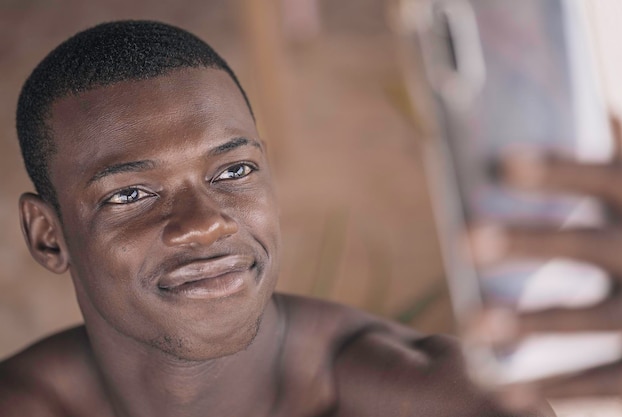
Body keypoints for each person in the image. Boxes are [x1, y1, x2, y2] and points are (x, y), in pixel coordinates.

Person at [0, 19, 559, 417]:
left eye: (234, 170)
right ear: (49, 238)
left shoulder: (444, 399)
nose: (204, 224)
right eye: (129, 195)